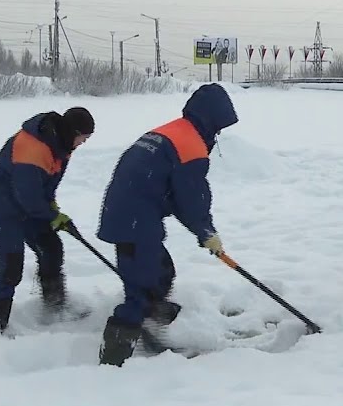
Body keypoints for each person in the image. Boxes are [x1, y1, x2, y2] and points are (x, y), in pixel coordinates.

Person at [94, 83, 239, 366]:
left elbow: (170, 192)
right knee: (142, 287)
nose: (218, 134)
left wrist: (200, 230)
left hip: (126, 212)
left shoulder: (171, 132)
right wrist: (206, 232)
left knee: (161, 270)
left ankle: (149, 318)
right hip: (137, 218)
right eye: (219, 127)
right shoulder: (190, 146)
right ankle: (113, 359)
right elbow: (191, 199)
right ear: (210, 120)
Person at [0, 107, 95, 332]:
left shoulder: (60, 145)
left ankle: (54, 305)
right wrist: (52, 216)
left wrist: (52, 206)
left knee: (51, 248)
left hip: (30, 207)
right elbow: (28, 195)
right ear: (73, 131)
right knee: (11, 265)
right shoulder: (33, 148)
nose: (83, 143)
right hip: (6, 207)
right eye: (84, 137)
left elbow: (47, 182)